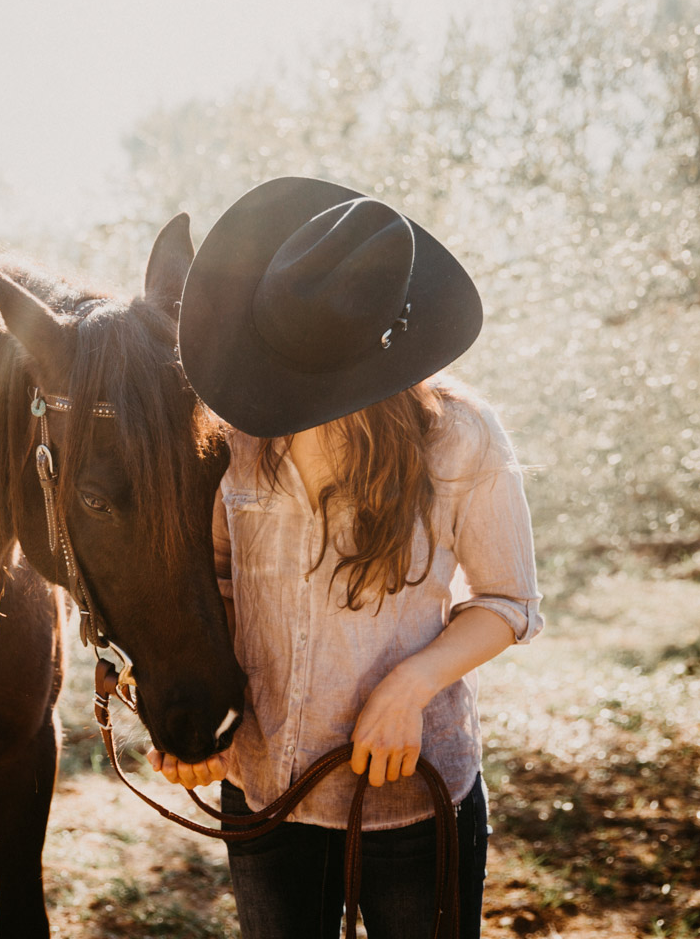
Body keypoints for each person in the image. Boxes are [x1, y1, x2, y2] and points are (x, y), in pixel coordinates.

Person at [149, 177, 543, 938]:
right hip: (263, 790)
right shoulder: (237, 439)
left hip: (413, 797)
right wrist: (193, 723)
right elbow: (215, 587)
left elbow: (508, 602)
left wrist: (410, 685)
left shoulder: (464, 435)